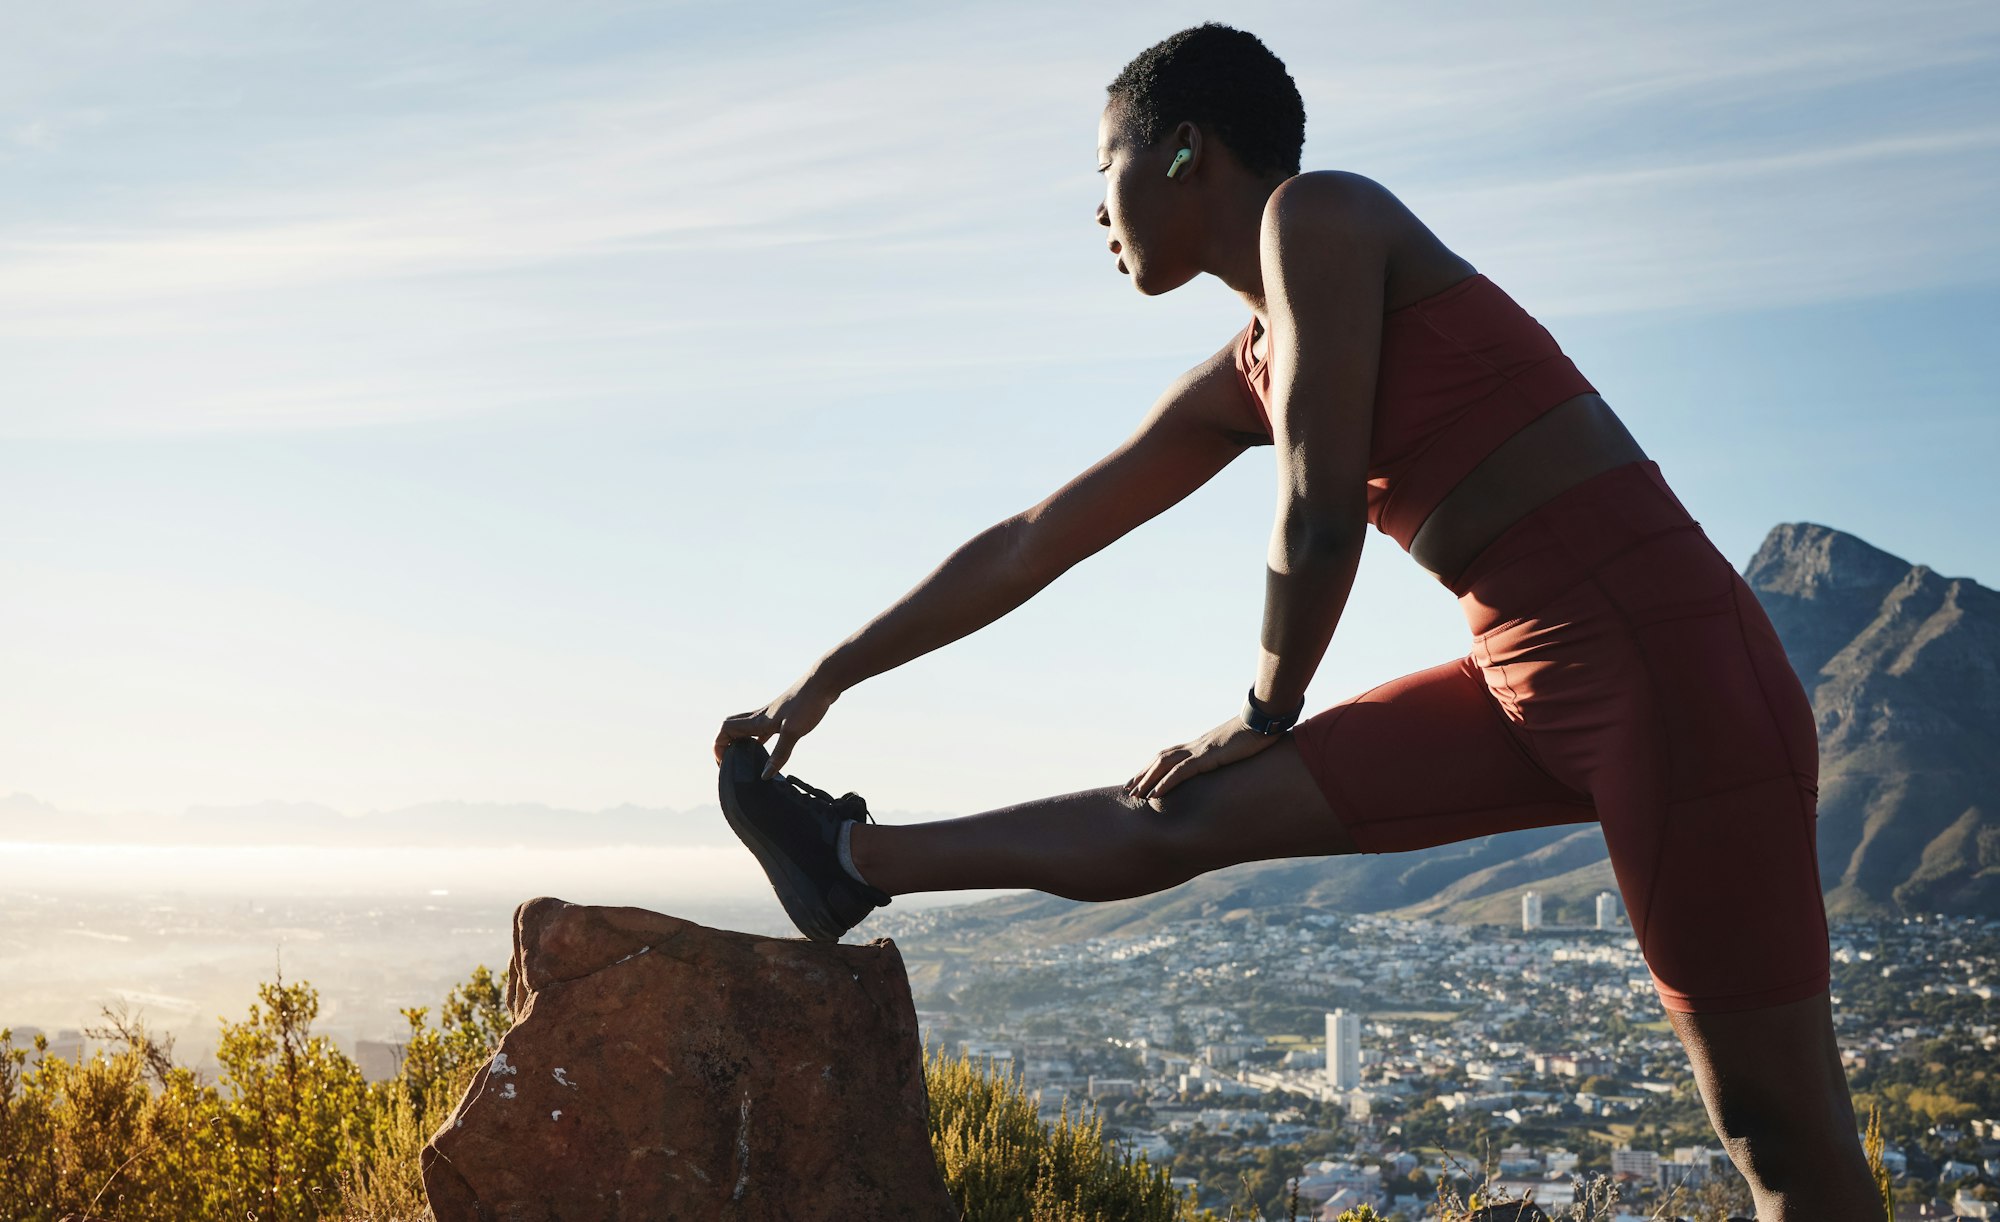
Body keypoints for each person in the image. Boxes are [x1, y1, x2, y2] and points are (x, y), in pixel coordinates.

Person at [713, 23, 1878, 1220]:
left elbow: (1316, 514)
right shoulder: (1250, 365)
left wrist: (1268, 708)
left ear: (1180, 153)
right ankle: (850, 859)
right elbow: (1031, 537)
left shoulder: (1320, 216)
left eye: (1099, 168)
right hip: (1523, 676)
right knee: (1183, 810)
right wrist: (830, 674)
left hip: (1670, 670)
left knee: (1773, 1131)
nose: (1094, 215)